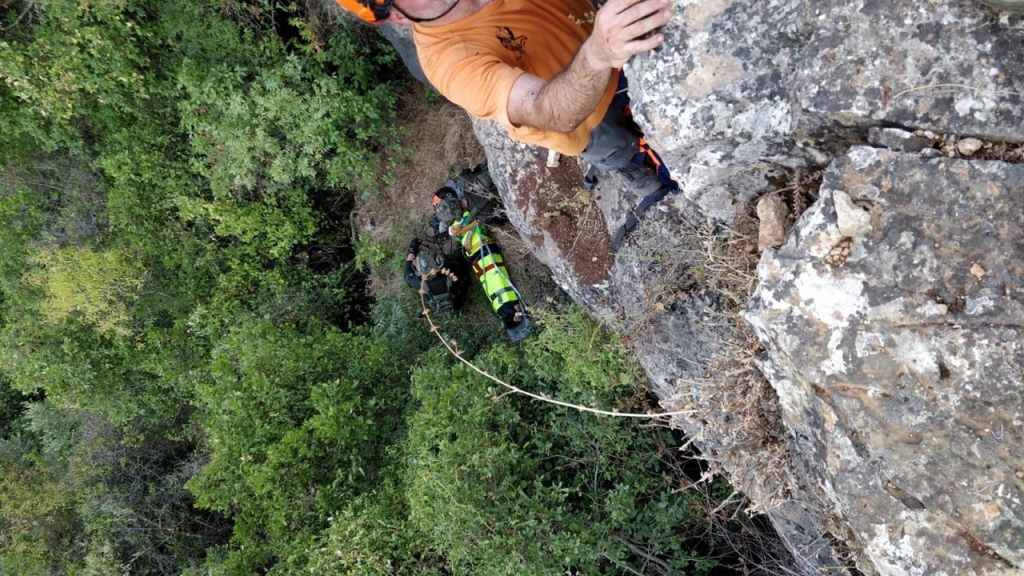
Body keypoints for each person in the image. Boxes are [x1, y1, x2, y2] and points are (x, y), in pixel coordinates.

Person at [336, 0, 677, 196]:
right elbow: (546, 111)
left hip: (609, 41)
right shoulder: (449, 61)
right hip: (591, 118)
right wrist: (599, 54)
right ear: (395, 14)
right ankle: (636, 171)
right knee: (626, 151)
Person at [441, 202, 530, 342]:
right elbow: (455, 232)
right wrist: (456, 231)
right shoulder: (457, 226)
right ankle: (511, 316)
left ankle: (513, 314)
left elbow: (477, 223)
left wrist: (468, 230)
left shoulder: (466, 217)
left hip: (483, 253)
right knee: (498, 290)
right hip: (481, 256)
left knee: (499, 287)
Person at [404, 237, 469, 314]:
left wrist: (412, 251)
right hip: (458, 298)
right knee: (459, 256)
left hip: (448, 304)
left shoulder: (417, 283)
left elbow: (407, 276)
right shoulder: (449, 271)